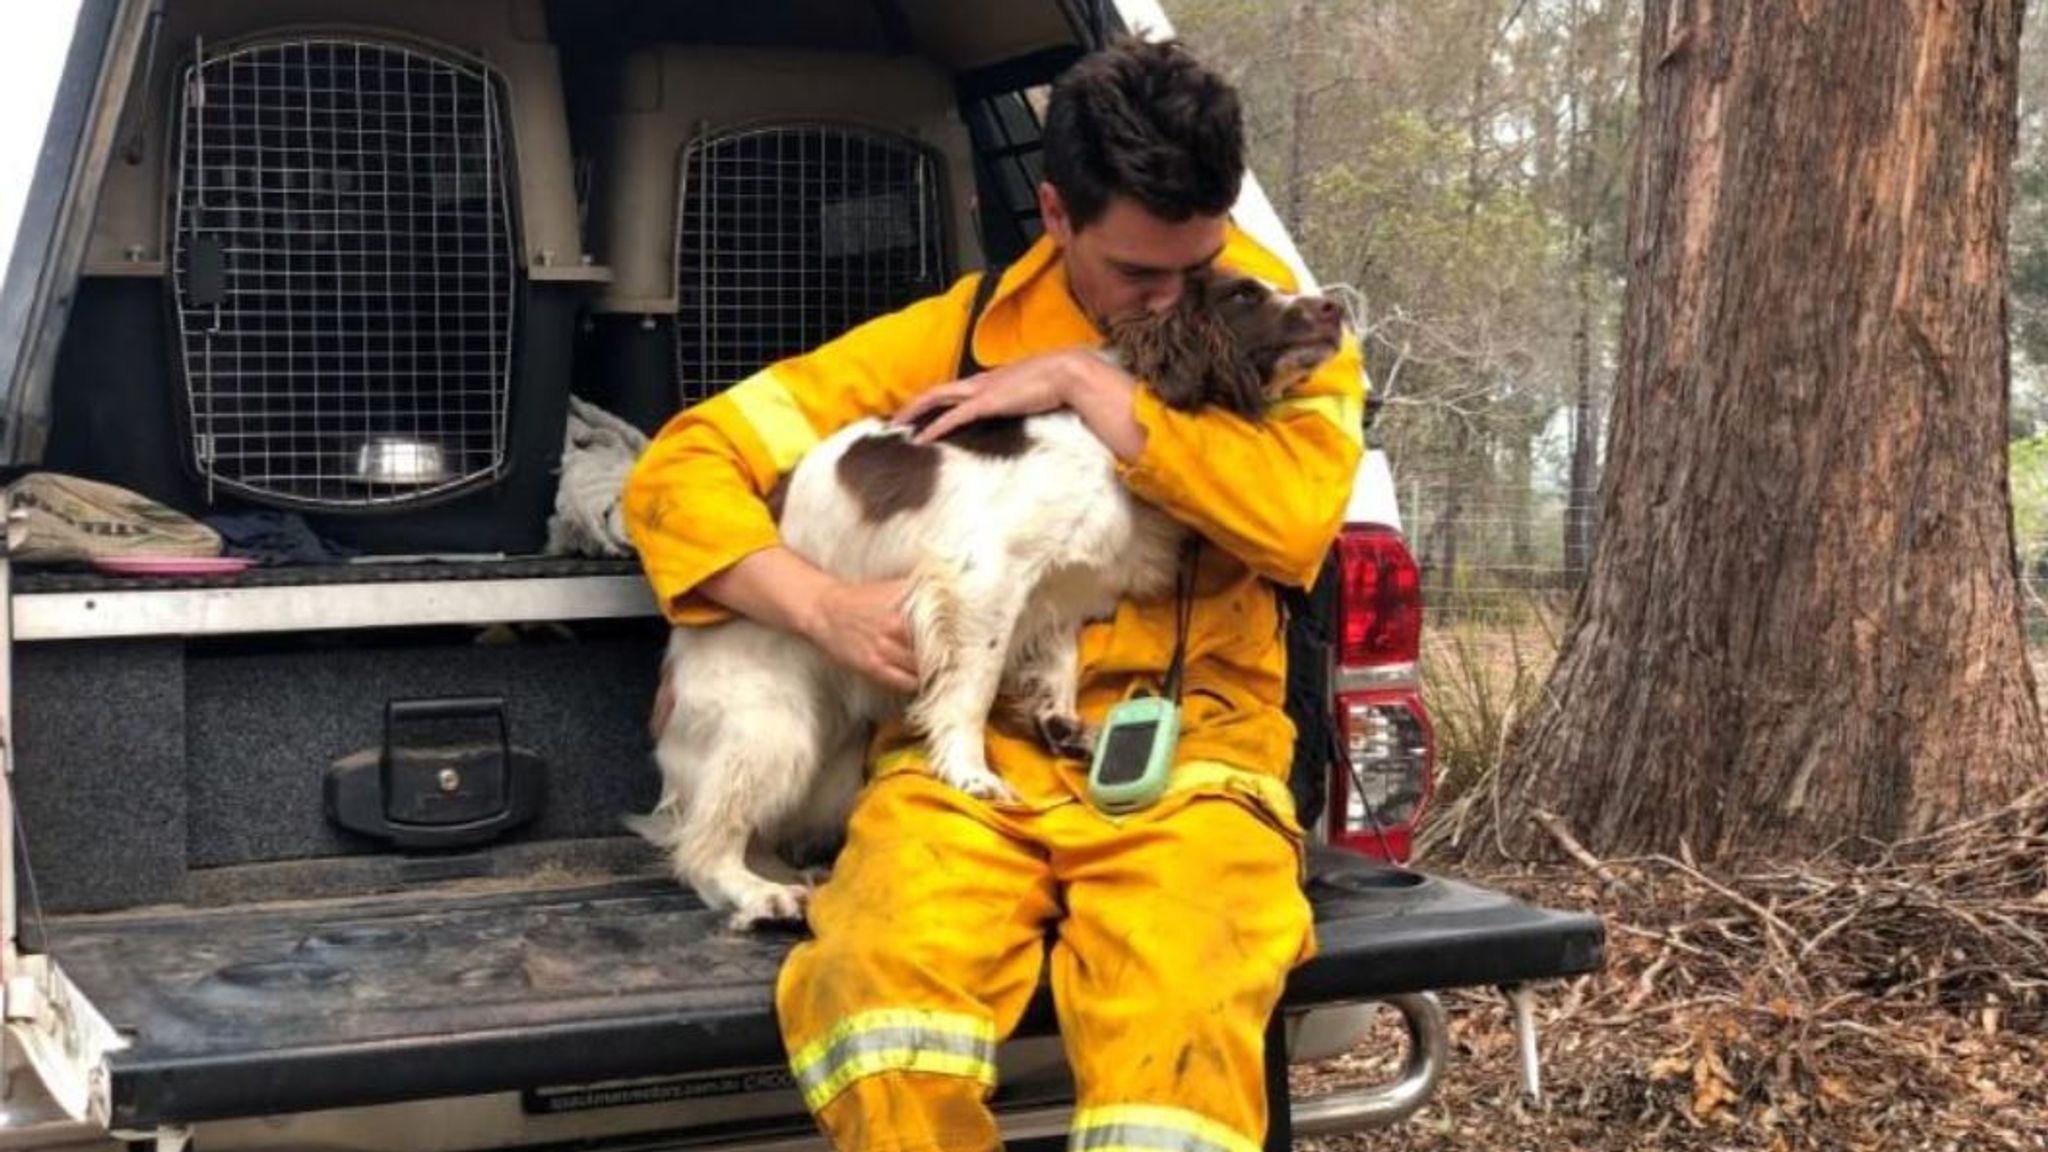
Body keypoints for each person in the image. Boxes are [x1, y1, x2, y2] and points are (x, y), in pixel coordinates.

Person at [623, 35, 1366, 1152]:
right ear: (1056, 213)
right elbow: (680, 466)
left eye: (1194, 265)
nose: (1171, 302)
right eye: (1137, 277)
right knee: (878, 994)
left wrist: (1082, 381)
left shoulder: (1269, 324)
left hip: (1192, 763)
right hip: (965, 757)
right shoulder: (955, 335)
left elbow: (1289, 517)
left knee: (1182, 1018)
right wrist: (817, 606)